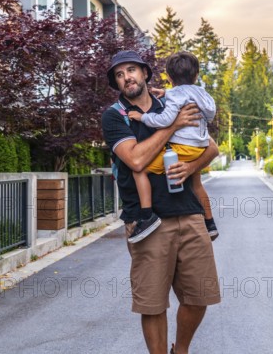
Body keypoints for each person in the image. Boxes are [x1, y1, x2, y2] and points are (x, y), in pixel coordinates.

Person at [101, 50, 221, 354]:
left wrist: (191, 167)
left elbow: (212, 146)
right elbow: (137, 159)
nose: (126, 77)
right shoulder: (116, 115)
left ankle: (180, 350)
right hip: (148, 222)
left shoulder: (170, 101)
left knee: (199, 296)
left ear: (144, 73)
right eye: (119, 74)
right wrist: (173, 126)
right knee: (152, 304)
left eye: (131, 70)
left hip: (190, 214)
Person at [126, 51, 219, 243]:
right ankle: (210, 224)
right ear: (196, 75)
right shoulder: (202, 93)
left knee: (139, 169)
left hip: (182, 148)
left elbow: (165, 120)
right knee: (196, 183)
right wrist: (168, 93)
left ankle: (146, 216)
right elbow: (209, 113)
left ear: (168, 77)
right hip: (200, 146)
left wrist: (142, 117)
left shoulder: (175, 95)